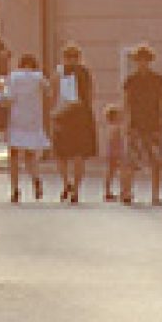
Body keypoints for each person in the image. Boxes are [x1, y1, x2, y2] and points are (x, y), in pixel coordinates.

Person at [122, 45, 162, 206]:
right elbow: (126, 102)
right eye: (140, 60)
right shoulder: (131, 80)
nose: (143, 63)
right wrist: (126, 122)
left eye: (145, 60)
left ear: (150, 61)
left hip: (153, 123)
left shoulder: (158, 80)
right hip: (135, 123)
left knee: (156, 161)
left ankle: (155, 194)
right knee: (131, 160)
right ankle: (128, 192)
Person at [51, 44, 97, 203]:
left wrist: (53, 113)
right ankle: (73, 187)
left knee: (63, 154)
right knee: (76, 155)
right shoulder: (84, 72)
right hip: (81, 115)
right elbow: (89, 95)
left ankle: (69, 185)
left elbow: (56, 94)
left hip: (67, 115)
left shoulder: (61, 72)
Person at [5, 52, 50, 203]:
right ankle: (35, 178)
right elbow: (49, 90)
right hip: (33, 120)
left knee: (14, 156)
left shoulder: (14, 77)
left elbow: (9, 97)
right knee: (30, 155)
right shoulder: (39, 77)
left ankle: (15, 189)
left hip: (17, 119)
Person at [102, 104, 130, 202]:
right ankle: (123, 191)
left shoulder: (110, 127)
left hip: (111, 152)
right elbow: (116, 141)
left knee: (110, 171)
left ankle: (107, 191)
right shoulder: (116, 128)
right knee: (122, 172)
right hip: (117, 153)